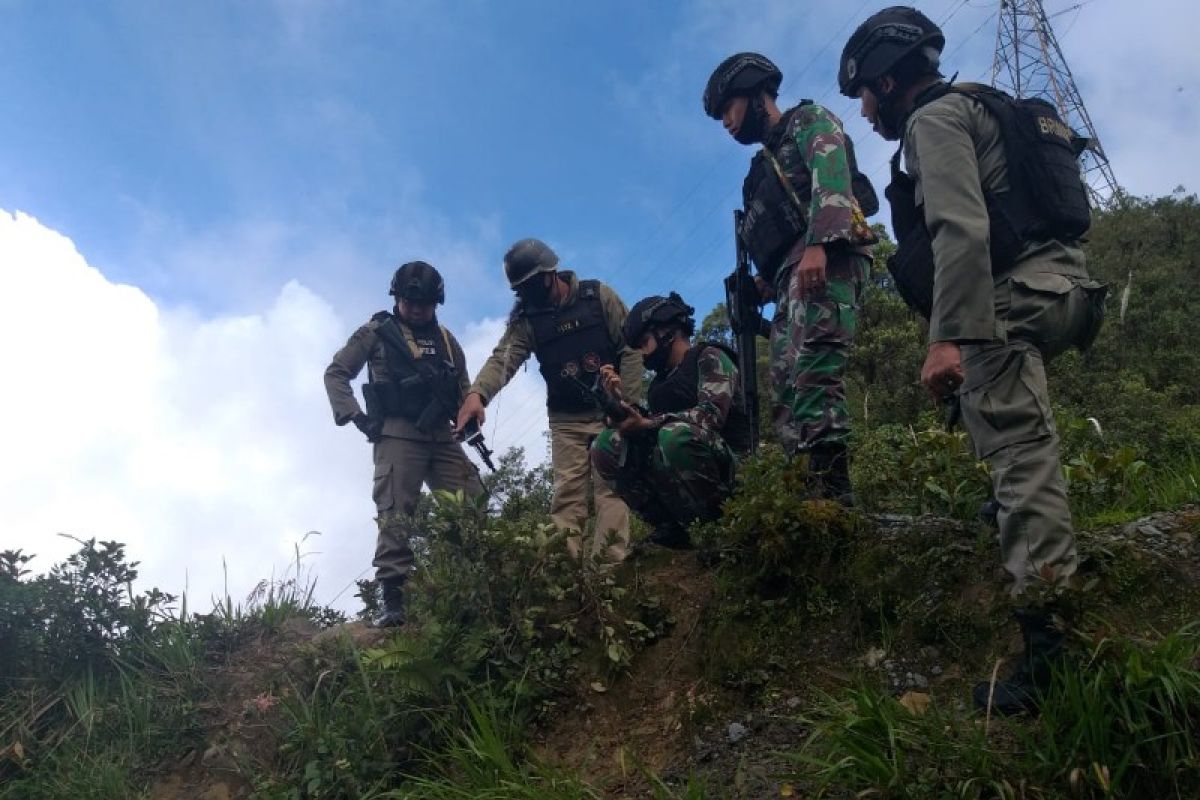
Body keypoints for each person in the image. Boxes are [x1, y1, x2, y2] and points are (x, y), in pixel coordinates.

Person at [839, 6, 1107, 714]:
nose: (864, 112)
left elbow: (961, 229)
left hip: (1014, 291)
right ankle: (1012, 516)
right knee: (1000, 421)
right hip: (1069, 284)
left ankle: (1052, 658)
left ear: (889, 79)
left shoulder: (932, 121)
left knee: (1019, 448)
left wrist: (947, 337)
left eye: (864, 94)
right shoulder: (988, 103)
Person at [703, 52, 878, 502]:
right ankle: (806, 494)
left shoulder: (807, 120)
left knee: (815, 370)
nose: (726, 122)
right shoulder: (760, 170)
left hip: (827, 256)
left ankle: (835, 492)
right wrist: (755, 289)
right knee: (785, 386)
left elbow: (831, 175)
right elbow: (778, 241)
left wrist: (821, 243)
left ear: (755, 93)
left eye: (729, 108)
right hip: (790, 276)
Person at [455, 238, 642, 561]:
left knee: (611, 490)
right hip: (566, 421)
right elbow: (503, 359)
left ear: (549, 274)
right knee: (568, 497)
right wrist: (477, 394)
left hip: (611, 413)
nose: (525, 295)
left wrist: (631, 404)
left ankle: (608, 575)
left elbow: (631, 348)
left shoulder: (597, 297)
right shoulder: (529, 320)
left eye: (530, 286)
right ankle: (567, 578)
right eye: (520, 290)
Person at [324, 260, 483, 627]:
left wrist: (468, 420)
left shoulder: (446, 340)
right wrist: (356, 417)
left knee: (473, 501)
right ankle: (393, 601)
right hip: (396, 433)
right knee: (395, 513)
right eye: (409, 302)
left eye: (424, 304)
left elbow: (463, 387)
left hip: (442, 436)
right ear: (396, 297)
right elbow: (336, 373)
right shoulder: (376, 332)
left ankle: (475, 580)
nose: (415, 309)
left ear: (436, 303)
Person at [589, 293, 753, 549]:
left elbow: (710, 416)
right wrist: (621, 408)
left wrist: (650, 424)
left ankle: (725, 529)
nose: (643, 353)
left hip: (738, 471)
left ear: (667, 330)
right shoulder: (659, 387)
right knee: (605, 445)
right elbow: (652, 431)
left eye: (644, 342)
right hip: (685, 460)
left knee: (674, 435)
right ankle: (671, 528)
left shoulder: (709, 356)